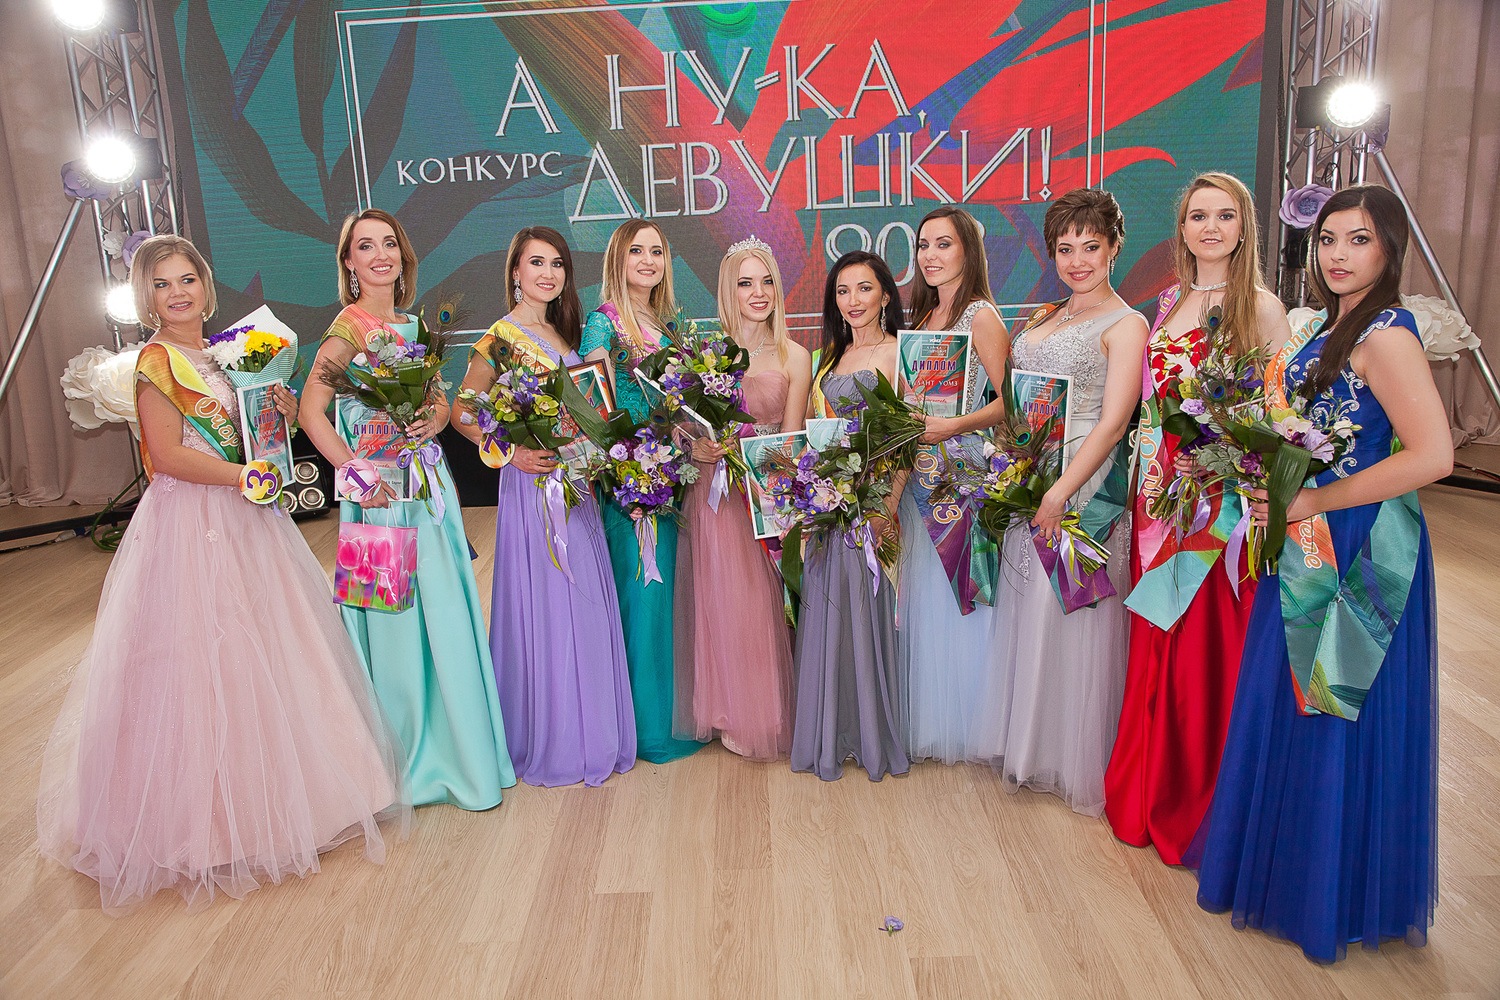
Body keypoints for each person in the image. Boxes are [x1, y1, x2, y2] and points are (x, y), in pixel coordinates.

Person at [37, 235, 407, 914]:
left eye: (187, 280)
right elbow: (165, 457)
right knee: (199, 662)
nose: (177, 294)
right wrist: (242, 475)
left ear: (206, 287)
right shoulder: (155, 363)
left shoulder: (229, 352)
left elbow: (258, 428)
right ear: (146, 298)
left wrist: (277, 423)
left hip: (248, 514)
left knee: (268, 649)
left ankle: (298, 801)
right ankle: (204, 825)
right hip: (192, 520)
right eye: (161, 285)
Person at [1188, 185, 1449, 962]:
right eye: (1328, 238)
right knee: (1292, 699)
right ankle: (1293, 874)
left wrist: (1314, 499)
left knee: (1334, 709)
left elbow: (1433, 456)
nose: (1337, 254)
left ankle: (1334, 893)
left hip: (1364, 543)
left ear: (1390, 249)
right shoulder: (1330, 327)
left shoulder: (1389, 334)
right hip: (1306, 536)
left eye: (1358, 239)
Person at [1104, 173, 1292, 864]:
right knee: (1158, 634)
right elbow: (1152, 406)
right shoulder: (1167, 302)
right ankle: (1149, 788)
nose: (1210, 227)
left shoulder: (1262, 307)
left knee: (1206, 651)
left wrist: (1225, 465)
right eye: (1197, 216)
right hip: (1160, 494)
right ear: (1181, 228)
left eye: (1224, 215)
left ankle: (1205, 803)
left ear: (1245, 227)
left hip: (1221, 502)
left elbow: (1278, 413)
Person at [300, 209, 514, 809]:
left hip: (427, 489)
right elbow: (310, 412)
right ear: (349, 262)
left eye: (389, 244)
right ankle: (402, 762)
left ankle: (458, 752)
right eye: (365, 246)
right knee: (390, 624)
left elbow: (440, 402)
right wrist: (355, 471)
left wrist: (434, 419)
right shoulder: (347, 328)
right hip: (377, 501)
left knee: (442, 611)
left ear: (403, 256)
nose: (380, 255)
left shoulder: (414, 324)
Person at [972, 188, 1149, 815]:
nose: (1077, 261)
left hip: (1084, 485)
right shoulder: (1045, 315)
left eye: (1090, 247)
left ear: (1114, 247)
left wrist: (1060, 490)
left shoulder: (1127, 324)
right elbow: (1021, 399)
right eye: (1065, 249)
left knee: (1068, 616)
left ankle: (1065, 757)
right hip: (1032, 475)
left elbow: (1114, 422)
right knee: (1028, 612)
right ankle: (1025, 746)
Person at [453, 227, 636, 787]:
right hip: (534, 489)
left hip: (577, 485)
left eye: (557, 264)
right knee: (551, 600)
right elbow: (463, 411)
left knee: (584, 598)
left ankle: (590, 731)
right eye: (537, 263)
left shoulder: (562, 332)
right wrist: (511, 452)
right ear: (515, 270)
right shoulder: (499, 338)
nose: (548, 273)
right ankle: (554, 737)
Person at [673, 237, 812, 760]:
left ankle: (765, 710)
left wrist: (757, 462)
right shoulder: (704, 354)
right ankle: (726, 707)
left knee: (761, 604)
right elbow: (683, 428)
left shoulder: (795, 355)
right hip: (714, 494)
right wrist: (696, 447)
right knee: (720, 599)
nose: (759, 292)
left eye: (767, 280)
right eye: (746, 282)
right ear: (728, 291)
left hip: (763, 492)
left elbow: (792, 439)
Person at [580, 220, 705, 763]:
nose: (649, 260)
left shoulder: (671, 324)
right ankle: (645, 729)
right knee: (642, 596)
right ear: (618, 259)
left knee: (668, 598)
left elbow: (685, 403)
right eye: (637, 251)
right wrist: (626, 459)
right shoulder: (604, 321)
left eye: (657, 251)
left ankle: (672, 715)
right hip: (630, 483)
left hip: (672, 477)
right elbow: (593, 402)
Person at [790, 251, 909, 782]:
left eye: (864, 288)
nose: (853, 300)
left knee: (863, 614)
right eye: (842, 291)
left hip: (870, 510)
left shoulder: (899, 353)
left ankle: (869, 734)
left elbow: (906, 440)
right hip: (826, 512)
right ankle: (830, 732)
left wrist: (885, 507)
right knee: (828, 615)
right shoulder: (828, 359)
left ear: (885, 294)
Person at [898, 206, 1010, 764]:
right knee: (926, 597)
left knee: (964, 594)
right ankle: (932, 719)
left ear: (968, 249)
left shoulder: (981, 316)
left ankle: (970, 725)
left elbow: (1012, 402)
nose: (931, 255)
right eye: (924, 244)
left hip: (962, 474)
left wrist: (954, 425)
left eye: (944, 243)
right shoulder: (920, 321)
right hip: (918, 475)